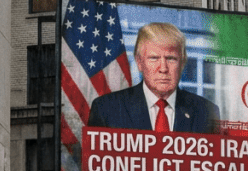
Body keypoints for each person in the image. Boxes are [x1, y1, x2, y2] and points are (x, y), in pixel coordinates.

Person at [88, 22, 220, 134]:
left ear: (183, 63)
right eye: (154, 58)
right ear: (139, 62)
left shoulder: (207, 112)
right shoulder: (106, 109)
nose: (163, 68)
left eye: (171, 59)